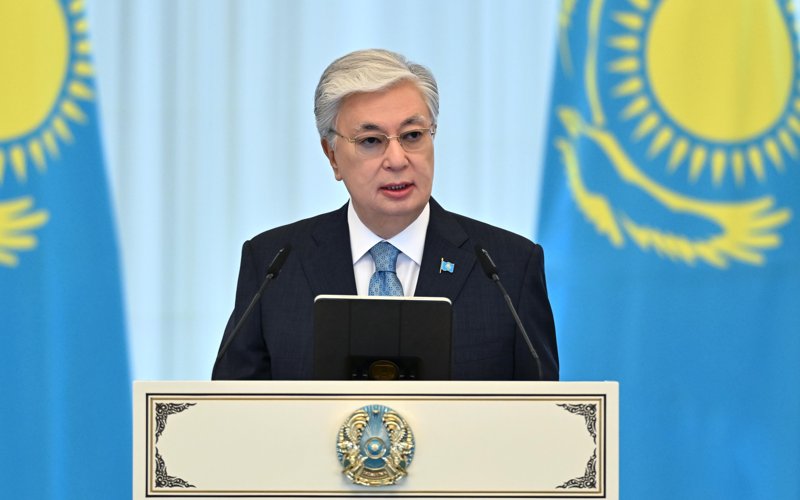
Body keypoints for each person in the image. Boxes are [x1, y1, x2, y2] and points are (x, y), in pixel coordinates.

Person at [212, 49, 558, 380]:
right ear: (332, 155)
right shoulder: (274, 263)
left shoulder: (507, 267)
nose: (397, 159)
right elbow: (231, 405)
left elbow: (544, 410)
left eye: (412, 136)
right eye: (371, 140)